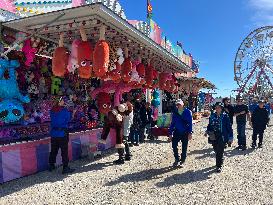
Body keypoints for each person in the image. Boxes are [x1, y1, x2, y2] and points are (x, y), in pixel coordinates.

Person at [49, 97, 75, 174]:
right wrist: (73, 113)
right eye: (63, 101)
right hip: (62, 133)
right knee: (64, 151)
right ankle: (65, 168)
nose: (64, 102)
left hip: (53, 133)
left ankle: (51, 165)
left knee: (54, 150)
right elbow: (69, 119)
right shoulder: (64, 111)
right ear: (59, 102)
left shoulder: (51, 110)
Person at [205, 102, 233, 173]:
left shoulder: (225, 116)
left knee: (219, 150)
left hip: (222, 135)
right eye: (216, 107)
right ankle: (220, 158)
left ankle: (218, 166)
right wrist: (207, 131)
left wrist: (230, 137)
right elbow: (210, 125)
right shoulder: (212, 116)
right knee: (215, 149)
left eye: (219, 107)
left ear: (221, 108)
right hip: (213, 135)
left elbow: (229, 127)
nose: (217, 109)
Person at [168, 99, 193, 167]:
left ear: (183, 104)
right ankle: (177, 159)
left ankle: (182, 160)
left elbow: (190, 123)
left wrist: (190, 132)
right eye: (177, 104)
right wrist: (170, 133)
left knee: (184, 147)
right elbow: (172, 124)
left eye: (179, 104)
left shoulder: (187, 112)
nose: (178, 106)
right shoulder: (175, 113)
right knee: (174, 145)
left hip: (185, 132)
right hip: (177, 131)